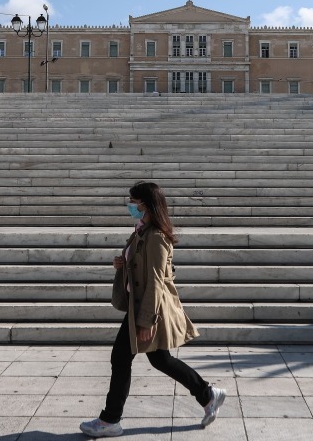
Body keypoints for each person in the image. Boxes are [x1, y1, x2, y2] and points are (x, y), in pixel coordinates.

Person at [80, 181, 226, 438]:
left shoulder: (156, 237)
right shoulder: (142, 230)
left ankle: (110, 420)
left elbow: (157, 281)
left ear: (146, 205)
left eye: (135, 202)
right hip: (141, 307)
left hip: (149, 309)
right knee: (160, 359)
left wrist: (146, 321)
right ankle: (207, 394)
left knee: (121, 358)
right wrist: (123, 262)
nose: (131, 206)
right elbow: (142, 267)